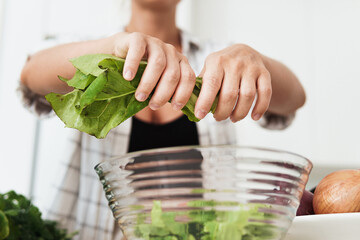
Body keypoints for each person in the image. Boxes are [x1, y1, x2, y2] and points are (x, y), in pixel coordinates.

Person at [20, 0, 306, 239]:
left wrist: (256, 60)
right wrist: (113, 49)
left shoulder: (218, 58)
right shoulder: (90, 46)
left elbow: (294, 99)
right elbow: (31, 75)